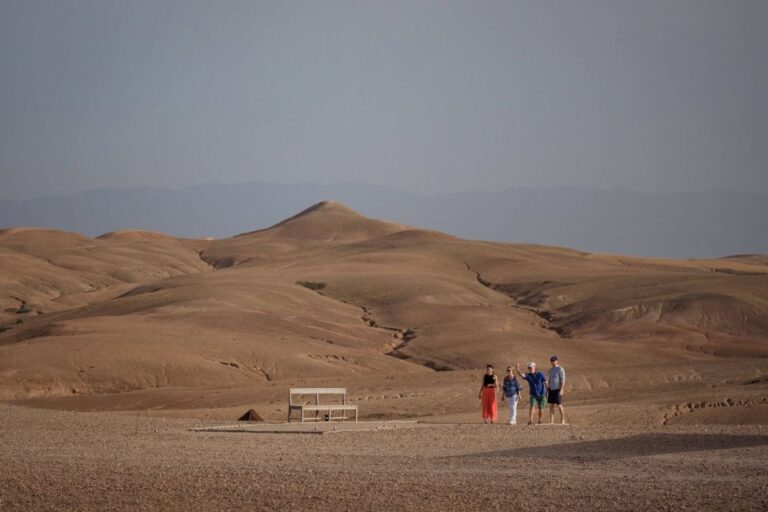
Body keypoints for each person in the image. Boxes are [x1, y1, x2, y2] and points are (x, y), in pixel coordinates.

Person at [547, 355, 566, 424]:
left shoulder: (560, 369)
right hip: (551, 389)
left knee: (559, 405)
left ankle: (563, 419)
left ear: (556, 361)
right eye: (551, 361)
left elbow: (563, 380)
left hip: (558, 389)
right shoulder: (551, 370)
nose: (552, 362)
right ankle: (551, 421)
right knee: (551, 405)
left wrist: (561, 390)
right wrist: (547, 388)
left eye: (554, 361)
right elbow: (549, 380)